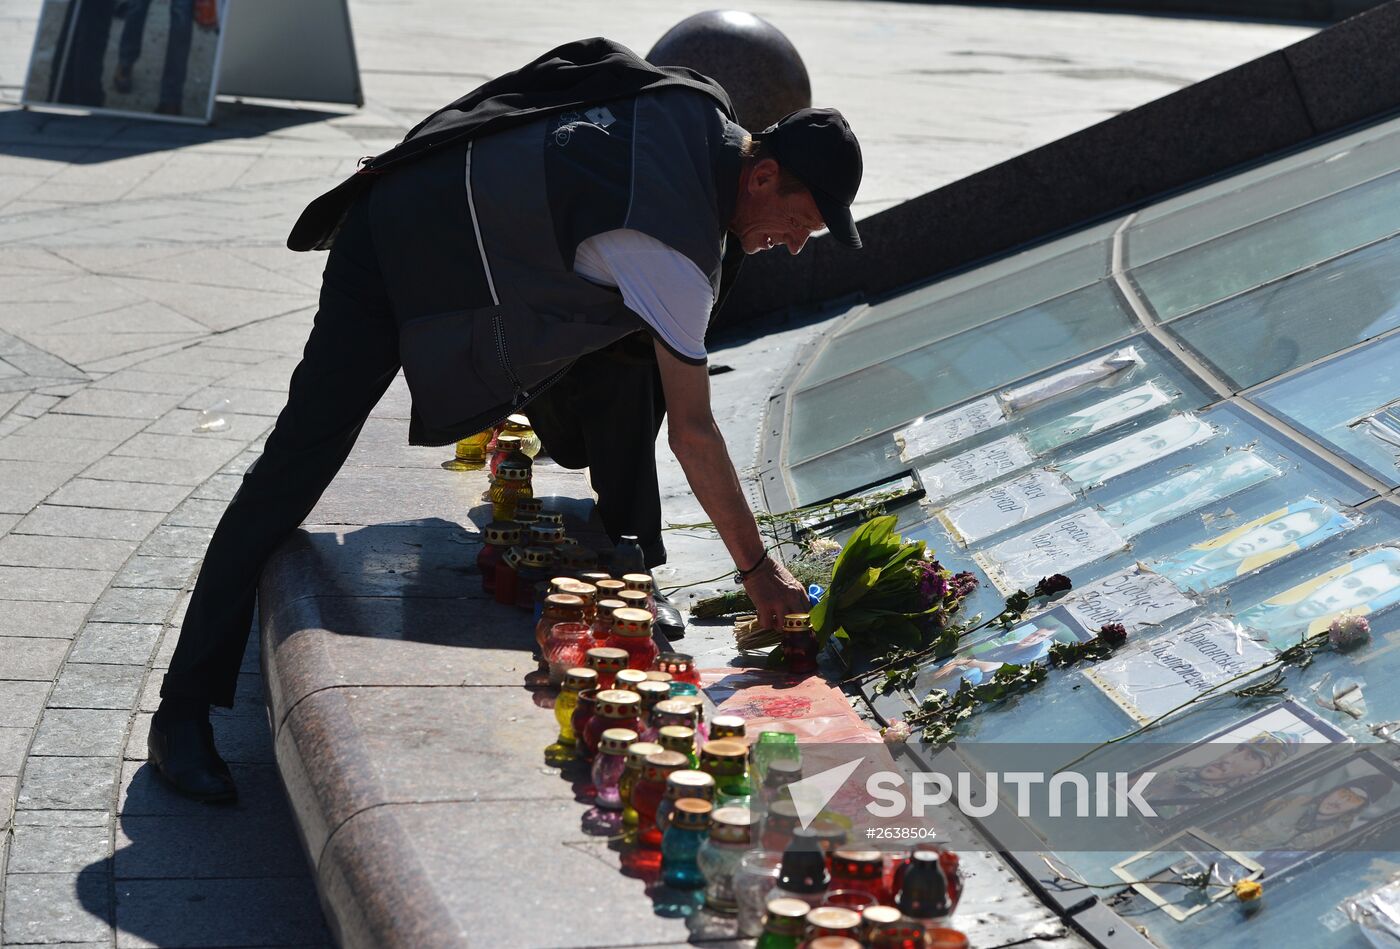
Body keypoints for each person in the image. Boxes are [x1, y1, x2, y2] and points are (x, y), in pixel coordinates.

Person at [145, 37, 863, 802]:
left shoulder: (699, 104)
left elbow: (576, 65)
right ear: (760, 175)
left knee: (638, 352)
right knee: (295, 466)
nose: (792, 246)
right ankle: (180, 713)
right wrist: (759, 571)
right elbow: (695, 433)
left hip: (462, 230)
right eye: (801, 222)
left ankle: (631, 544)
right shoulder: (674, 249)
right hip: (394, 252)